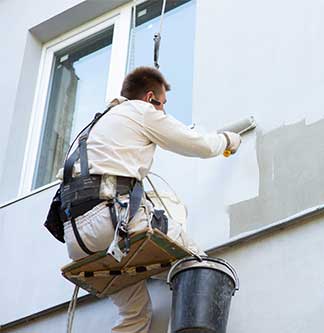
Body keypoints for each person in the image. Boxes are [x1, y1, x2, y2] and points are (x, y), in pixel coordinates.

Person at [60, 66, 241, 333]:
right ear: (149, 98)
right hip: (111, 222)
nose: (163, 112)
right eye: (162, 104)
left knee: (135, 315)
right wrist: (227, 140)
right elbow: (198, 144)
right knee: (197, 263)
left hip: (78, 240)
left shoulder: (95, 128)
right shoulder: (141, 111)